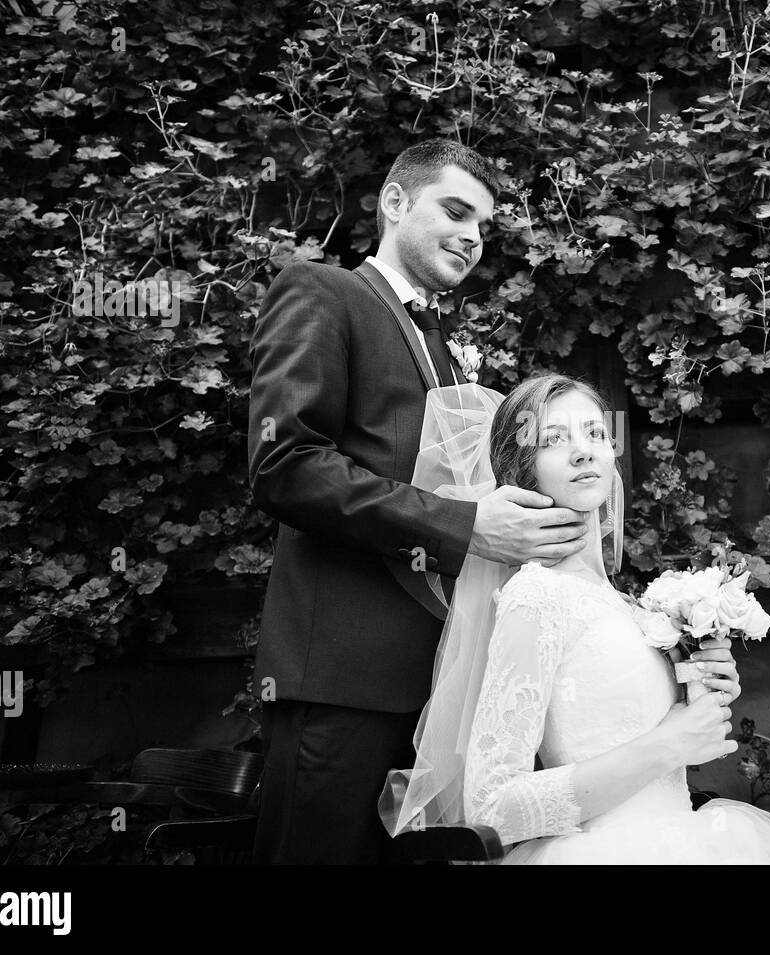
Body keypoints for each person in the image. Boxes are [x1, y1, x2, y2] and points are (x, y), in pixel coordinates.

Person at [381, 375, 770, 864]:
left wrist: (702, 687)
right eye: (553, 439)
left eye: (594, 432)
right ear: (522, 472)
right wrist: (669, 743)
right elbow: (492, 807)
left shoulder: (630, 606)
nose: (584, 447)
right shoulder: (535, 598)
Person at [246, 139, 589, 864]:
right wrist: (468, 526)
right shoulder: (324, 292)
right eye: (457, 211)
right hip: (343, 676)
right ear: (395, 202)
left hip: (439, 686)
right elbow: (286, 465)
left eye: (484, 227)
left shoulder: (444, 340)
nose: (472, 237)